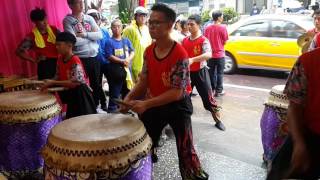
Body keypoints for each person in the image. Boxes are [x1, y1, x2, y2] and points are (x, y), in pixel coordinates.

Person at [120, 4, 209, 179]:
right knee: (143, 142)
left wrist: (145, 103)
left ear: (169, 25)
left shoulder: (180, 55)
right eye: (150, 22)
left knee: (185, 148)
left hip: (177, 106)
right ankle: (144, 171)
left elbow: (176, 92)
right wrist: (129, 98)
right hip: (154, 103)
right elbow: (143, 81)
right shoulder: (148, 51)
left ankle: (193, 174)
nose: (151, 26)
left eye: (156, 23)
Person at [266, 43, 320, 180]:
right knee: (278, 173)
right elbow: (294, 107)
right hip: (309, 135)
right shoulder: (308, 61)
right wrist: (299, 143)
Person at [182, 14, 225, 131]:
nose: (189, 27)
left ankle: (218, 120)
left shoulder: (203, 40)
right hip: (188, 74)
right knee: (183, 98)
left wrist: (193, 59)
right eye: (188, 24)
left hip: (201, 73)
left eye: (192, 24)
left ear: (199, 25)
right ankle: (183, 122)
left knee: (209, 99)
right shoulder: (184, 40)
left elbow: (209, 54)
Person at [41, 32, 97, 118]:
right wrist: (49, 82)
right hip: (72, 94)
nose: (57, 47)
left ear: (69, 45)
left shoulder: (75, 60)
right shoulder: (60, 58)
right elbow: (58, 75)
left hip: (81, 95)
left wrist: (52, 82)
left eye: (59, 45)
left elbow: (75, 83)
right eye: (56, 45)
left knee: (84, 123)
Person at [63, 0, 103, 109]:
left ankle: (96, 107)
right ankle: (85, 108)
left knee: (96, 84)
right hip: (80, 59)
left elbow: (99, 35)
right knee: (81, 85)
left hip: (94, 57)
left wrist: (84, 35)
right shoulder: (68, 20)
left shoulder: (89, 18)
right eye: (77, 2)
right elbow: (73, 41)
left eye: (82, 2)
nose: (81, 5)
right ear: (70, 5)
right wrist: (91, 38)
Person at [16, 8, 59, 80]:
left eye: (45, 19)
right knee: (48, 90)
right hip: (45, 66)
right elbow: (18, 51)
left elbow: (65, 42)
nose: (45, 22)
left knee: (61, 87)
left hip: (59, 63)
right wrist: (33, 60)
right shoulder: (31, 36)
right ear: (34, 22)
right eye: (42, 20)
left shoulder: (54, 29)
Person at [105, 19, 134, 113]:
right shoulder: (109, 42)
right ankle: (112, 111)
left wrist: (128, 59)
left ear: (122, 28)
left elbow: (132, 51)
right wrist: (122, 61)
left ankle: (125, 110)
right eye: (114, 26)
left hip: (126, 70)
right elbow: (109, 56)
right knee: (115, 92)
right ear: (111, 28)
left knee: (127, 90)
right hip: (115, 71)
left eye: (119, 26)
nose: (117, 29)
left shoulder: (126, 40)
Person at [87, 9, 110, 112]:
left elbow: (108, 45)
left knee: (108, 82)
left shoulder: (104, 31)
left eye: (96, 18)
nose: (95, 20)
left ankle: (111, 103)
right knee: (97, 84)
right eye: (93, 18)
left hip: (106, 61)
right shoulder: (87, 33)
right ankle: (101, 103)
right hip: (95, 62)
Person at [122, 6, 152, 82]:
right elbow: (124, 45)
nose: (143, 18)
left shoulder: (146, 28)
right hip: (134, 64)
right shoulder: (129, 29)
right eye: (140, 15)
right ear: (135, 16)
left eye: (145, 15)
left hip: (146, 63)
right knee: (135, 87)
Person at [204, 10, 228, 97]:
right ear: (218, 18)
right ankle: (219, 91)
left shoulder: (207, 28)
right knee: (220, 73)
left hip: (210, 55)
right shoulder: (223, 27)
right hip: (220, 54)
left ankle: (212, 89)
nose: (222, 18)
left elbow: (205, 41)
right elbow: (225, 41)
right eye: (222, 16)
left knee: (211, 73)